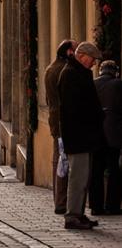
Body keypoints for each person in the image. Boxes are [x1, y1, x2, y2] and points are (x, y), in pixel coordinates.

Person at [58, 41, 104, 230]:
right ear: (82, 55)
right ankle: (72, 216)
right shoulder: (70, 74)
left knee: (83, 177)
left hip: (83, 135)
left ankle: (78, 213)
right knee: (78, 177)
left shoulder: (78, 72)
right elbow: (73, 108)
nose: (94, 64)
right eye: (92, 60)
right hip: (78, 135)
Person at [45, 39, 76, 215]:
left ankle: (59, 199)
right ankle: (61, 201)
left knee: (59, 159)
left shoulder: (51, 68)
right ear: (69, 52)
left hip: (55, 119)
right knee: (63, 162)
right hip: (63, 120)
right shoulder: (64, 70)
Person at [90, 60, 122, 216]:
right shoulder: (118, 84)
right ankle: (112, 205)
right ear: (115, 71)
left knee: (96, 170)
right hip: (113, 133)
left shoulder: (93, 84)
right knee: (114, 170)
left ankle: (96, 206)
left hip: (96, 134)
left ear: (101, 70)